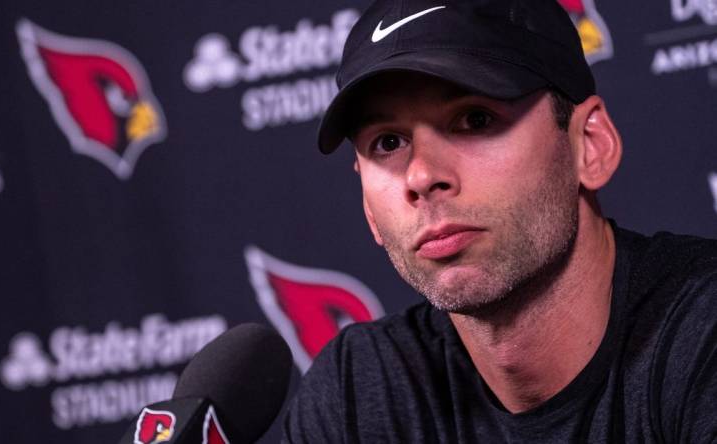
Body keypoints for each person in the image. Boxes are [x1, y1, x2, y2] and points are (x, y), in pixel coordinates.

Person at [283, 0, 717, 442]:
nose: (422, 176)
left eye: (475, 119)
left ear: (589, 145)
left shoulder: (703, 332)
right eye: (388, 142)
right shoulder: (361, 388)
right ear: (368, 208)